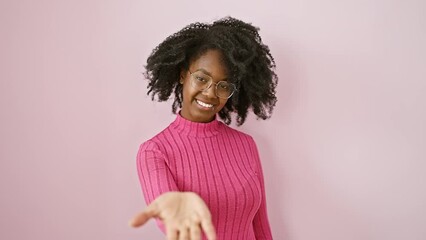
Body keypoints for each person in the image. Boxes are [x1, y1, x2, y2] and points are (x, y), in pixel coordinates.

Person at [129, 16, 278, 240]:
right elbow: (170, 220)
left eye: (223, 85)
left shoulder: (246, 145)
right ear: (182, 75)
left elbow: (260, 225)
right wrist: (180, 208)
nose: (210, 93)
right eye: (201, 78)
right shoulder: (154, 151)